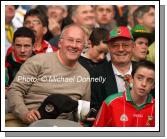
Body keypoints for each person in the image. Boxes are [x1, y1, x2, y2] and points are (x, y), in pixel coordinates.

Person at [6, 24, 91, 127]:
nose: (74, 45)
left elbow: (82, 112)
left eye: (78, 41)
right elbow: (15, 90)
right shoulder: (38, 61)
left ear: (83, 46)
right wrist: (25, 113)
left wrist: (85, 118)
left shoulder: (84, 75)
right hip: (28, 122)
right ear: (60, 43)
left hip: (63, 127)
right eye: (70, 40)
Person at [93, 60, 155, 127]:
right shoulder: (111, 102)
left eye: (149, 80)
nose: (144, 84)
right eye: (139, 78)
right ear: (131, 79)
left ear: (153, 85)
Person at [5, 27, 35, 92]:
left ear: (33, 46)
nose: (22, 50)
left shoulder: (42, 65)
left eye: (26, 46)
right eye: (18, 46)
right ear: (13, 46)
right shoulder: (5, 66)